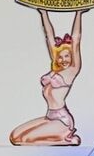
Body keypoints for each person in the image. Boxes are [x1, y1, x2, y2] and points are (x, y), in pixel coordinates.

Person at [10, 9, 82, 145]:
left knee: (24, 140)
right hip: (50, 117)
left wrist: (78, 14)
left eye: (67, 56)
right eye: (60, 57)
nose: (63, 59)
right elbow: (49, 36)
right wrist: (43, 13)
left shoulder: (72, 71)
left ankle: (65, 139)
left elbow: (76, 40)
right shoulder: (54, 71)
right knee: (14, 137)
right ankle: (61, 138)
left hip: (62, 121)